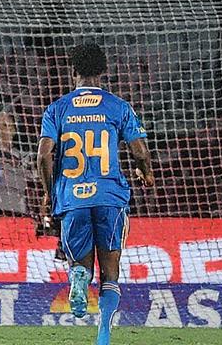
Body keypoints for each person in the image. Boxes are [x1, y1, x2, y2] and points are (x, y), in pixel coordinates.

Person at [36, 44, 154, 345]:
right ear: (102, 71)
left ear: (73, 71)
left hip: (72, 197)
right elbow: (140, 150)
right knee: (110, 272)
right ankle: (103, 336)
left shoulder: (57, 109)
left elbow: (43, 156)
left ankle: (78, 276)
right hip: (109, 196)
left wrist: (51, 194)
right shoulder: (117, 106)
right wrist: (145, 171)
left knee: (82, 265)